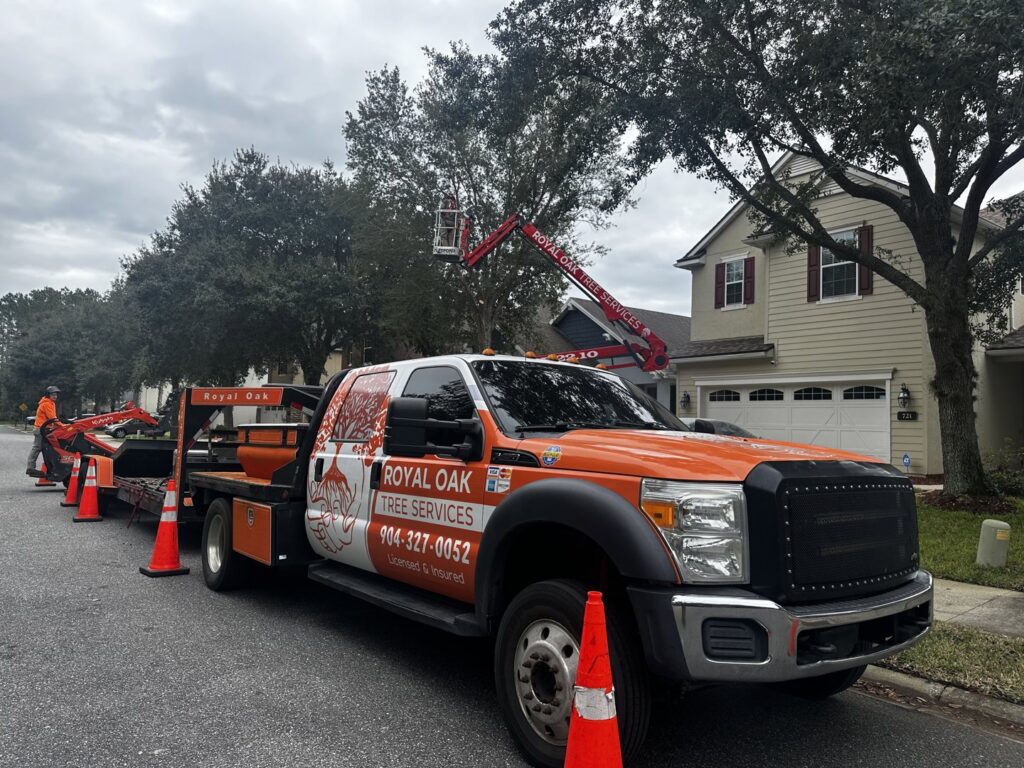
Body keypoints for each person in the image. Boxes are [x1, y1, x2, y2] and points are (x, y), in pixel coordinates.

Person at [26, 386, 63, 477]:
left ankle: (51, 468)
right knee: (37, 447)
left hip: (46, 429)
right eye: (53, 394)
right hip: (40, 429)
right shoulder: (46, 404)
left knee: (48, 449)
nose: (55, 396)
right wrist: (63, 425)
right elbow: (52, 418)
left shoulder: (51, 403)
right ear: (48, 395)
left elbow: (52, 419)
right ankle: (30, 468)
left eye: (56, 395)